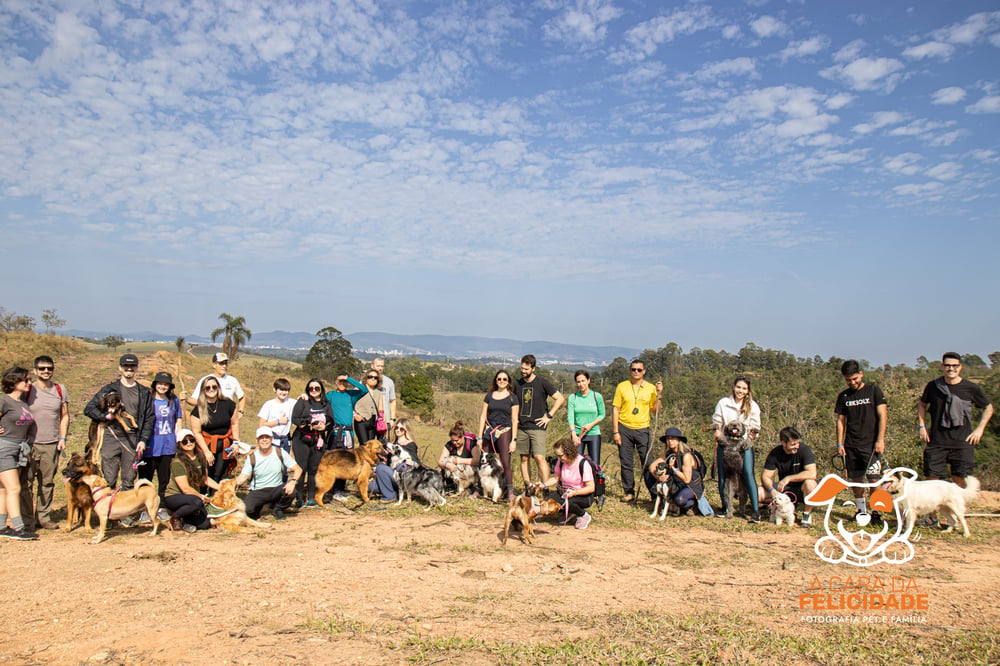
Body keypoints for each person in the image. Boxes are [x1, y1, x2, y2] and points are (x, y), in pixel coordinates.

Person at [917, 353, 993, 527]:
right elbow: (922, 405)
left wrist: (980, 429)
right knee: (932, 480)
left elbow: (988, 408)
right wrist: (922, 426)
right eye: (948, 365)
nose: (951, 369)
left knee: (959, 479)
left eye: (955, 366)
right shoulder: (933, 386)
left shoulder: (971, 388)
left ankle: (956, 520)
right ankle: (931, 518)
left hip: (962, 442)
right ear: (942, 366)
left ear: (960, 367)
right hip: (937, 440)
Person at [83, 354, 155, 496]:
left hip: (132, 438)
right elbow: (89, 409)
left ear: (136, 368)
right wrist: (105, 417)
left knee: (129, 479)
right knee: (109, 478)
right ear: (120, 368)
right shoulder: (109, 389)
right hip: (111, 437)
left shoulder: (144, 392)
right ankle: (109, 514)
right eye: (125, 366)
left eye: (132, 366)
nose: (129, 369)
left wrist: (143, 440)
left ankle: (126, 516)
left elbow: (149, 418)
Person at [835, 360, 888, 525]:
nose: (852, 382)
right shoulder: (844, 396)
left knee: (874, 480)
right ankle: (861, 510)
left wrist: (880, 439)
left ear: (861, 374)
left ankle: (876, 512)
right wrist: (839, 444)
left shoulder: (874, 391)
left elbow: (883, 416)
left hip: (871, 445)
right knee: (856, 480)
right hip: (851, 445)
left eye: (855, 379)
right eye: (848, 380)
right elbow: (840, 420)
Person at [22, 356, 69, 530]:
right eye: (42, 368)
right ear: (35, 371)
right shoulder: (27, 389)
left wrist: (62, 437)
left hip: (51, 443)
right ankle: (27, 520)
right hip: (29, 443)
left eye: (49, 368)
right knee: (26, 483)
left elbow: (64, 415)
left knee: (47, 482)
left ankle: (43, 517)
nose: (46, 371)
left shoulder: (59, 389)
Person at [712, 376, 762, 523]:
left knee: (747, 474)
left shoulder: (752, 406)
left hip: (743, 444)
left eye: (744, 388)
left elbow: (755, 426)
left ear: (748, 391)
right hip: (725, 443)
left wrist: (750, 440)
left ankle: (755, 510)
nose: (740, 391)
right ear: (733, 387)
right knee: (723, 476)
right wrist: (720, 437)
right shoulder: (724, 403)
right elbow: (717, 422)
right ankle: (725, 507)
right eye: (738, 387)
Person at [611, 358, 662, 503]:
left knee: (648, 462)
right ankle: (628, 492)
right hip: (624, 428)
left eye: (639, 370)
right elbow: (616, 409)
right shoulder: (622, 386)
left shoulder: (651, 388)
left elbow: (655, 411)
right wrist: (616, 431)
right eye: (633, 369)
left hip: (643, 429)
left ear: (644, 371)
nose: (636, 372)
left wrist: (659, 395)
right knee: (626, 462)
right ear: (630, 370)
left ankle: (654, 493)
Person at [513, 354, 565, 490]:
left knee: (539, 457)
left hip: (537, 427)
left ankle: (545, 488)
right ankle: (528, 487)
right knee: (524, 458)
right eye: (522, 368)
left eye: (526, 369)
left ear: (533, 368)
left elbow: (560, 398)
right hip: (521, 427)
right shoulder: (517, 384)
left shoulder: (542, 383)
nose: (523, 371)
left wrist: (549, 416)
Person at [0, 367, 39, 540]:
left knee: (3, 489)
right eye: (26, 380)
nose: (29, 383)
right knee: (14, 488)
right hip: (4, 449)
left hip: (19, 449)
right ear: (14, 382)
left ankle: (1, 526)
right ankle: (18, 528)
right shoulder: (4, 401)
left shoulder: (22, 403)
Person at [235, 427, 301, 520]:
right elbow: (243, 477)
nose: (264, 440)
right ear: (257, 440)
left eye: (267, 437)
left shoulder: (280, 452)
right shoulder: (252, 457)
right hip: (258, 491)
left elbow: (298, 469)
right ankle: (261, 508)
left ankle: (278, 509)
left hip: (276, 488)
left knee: (292, 492)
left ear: (272, 439)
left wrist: (293, 482)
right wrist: (230, 483)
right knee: (248, 510)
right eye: (262, 438)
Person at [163, 428, 221, 532]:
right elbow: (185, 488)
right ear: (180, 445)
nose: (189, 443)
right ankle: (175, 517)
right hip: (175, 496)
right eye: (185, 441)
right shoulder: (178, 462)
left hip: (191, 497)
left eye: (191, 440)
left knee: (205, 524)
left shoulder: (200, 458)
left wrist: (221, 488)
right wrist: (202, 497)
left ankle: (185, 519)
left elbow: (205, 479)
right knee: (196, 502)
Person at [761, 426, 818, 527]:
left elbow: (812, 473)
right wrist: (772, 491)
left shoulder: (804, 450)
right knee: (758, 493)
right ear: (783, 443)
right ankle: (777, 507)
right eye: (793, 444)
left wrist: (789, 478)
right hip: (782, 490)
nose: (796, 446)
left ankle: (806, 515)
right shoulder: (775, 453)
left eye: (797, 443)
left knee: (811, 484)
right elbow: (765, 476)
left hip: (801, 489)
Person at [291, 378, 335, 508]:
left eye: (317, 388)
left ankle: (311, 498)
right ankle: (298, 498)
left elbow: (331, 420)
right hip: (301, 439)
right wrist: (308, 424)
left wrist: (324, 426)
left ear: (321, 390)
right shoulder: (303, 401)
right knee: (301, 467)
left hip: (318, 440)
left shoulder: (325, 404)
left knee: (313, 469)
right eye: (311, 388)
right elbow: (295, 418)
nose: (314, 391)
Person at [477, 370, 520, 501]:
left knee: (505, 462)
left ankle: (509, 491)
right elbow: (483, 416)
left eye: (504, 379)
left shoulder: (513, 398)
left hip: (504, 431)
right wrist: (479, 436)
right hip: (489, 431)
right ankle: (481, 489)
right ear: (496, 381)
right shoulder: (489, 396)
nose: (502, 381)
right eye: (499, 379)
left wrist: (513, 440)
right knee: (483, 460)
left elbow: (514, 419)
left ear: (508, 382)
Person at [535, 437, 594, 530]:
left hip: (582, 495)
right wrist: (544, 484)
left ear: (568, 452)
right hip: (565, 492)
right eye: (557, 455)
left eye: (560, 455)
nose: (559, 458)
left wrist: (575, 492)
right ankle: (569, 512)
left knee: (567, 502)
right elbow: (555, 478)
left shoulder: (583, 464)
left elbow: (591, 488)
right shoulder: (561, 462)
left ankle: (583, 515)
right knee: (547, 502)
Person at [647, 427, 707, 516]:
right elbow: (652, 466)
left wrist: (673, 469)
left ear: (678, 440)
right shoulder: (669, 454)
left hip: (691, 486)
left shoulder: (686, 455)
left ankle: (692, 505)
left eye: (673, 438)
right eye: (668, 439)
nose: (670, 441)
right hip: (677, 484)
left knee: (680, 500)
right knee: (649, 475)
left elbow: (687, 480)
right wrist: (659, 477)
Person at [189, 376, 239, 483]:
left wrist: (235, 443)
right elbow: (196, 432)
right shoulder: (198, 409)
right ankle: (205, 496)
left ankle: (215, 497)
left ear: (218, 388)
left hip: (225, 445)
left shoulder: (228, 404)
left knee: (219, 474)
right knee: (206, 474)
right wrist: (207, 452)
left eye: (214, 387)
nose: (211, 390)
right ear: (203, 390)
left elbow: (234, 424)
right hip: (206, 445)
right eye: (207, 388)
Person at [142, 372, 183, 500]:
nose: (162, 387)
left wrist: (178, 440)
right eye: (160, 384)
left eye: (166, 384)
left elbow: (178, 419)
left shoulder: (173, 399)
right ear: (155, 385)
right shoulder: (148, 399)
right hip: (150, 445)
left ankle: (162, 506)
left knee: (164, 479)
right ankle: (144, 507)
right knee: (145, 479)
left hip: (167, 445)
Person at [370, 418, 419, 502]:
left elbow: (416, 463)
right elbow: (388, 463)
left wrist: (410, 462)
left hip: (401, 477)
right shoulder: (394, 443)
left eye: (401, 429)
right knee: (370, 487)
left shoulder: (410, 444)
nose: (398, 430)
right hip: (392, 475)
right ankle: (394, 492)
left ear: (406, 430)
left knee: (380, 468)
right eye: (396, 428)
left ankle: (390, 496)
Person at [187, 352, 246, 419]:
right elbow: (196, 400)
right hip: (209, 418)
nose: (224, 366)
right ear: (214, 365)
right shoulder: (206, 380)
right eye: (221, 363)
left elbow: (242, 396)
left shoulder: (233, 380)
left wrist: (240, 411)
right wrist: (186, 399)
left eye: (225, 363)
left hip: (228, 419)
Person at [567, 369, 605, 462]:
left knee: (595, 463)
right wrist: (573, 434)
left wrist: (591, 425)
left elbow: (602, 414)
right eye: (578, 382)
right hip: (578, 435)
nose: (581, 384)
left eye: (583, 381)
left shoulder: (597, 396)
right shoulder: (573, 398)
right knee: (576, 462)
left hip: (594, 433)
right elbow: (570, 417)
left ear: (588, 381)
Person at [437, 421, 481, 495]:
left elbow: (477, 460)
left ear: (463, 437)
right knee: (439, 470)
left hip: (469, 473)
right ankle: (450, 485)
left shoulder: (471, 444)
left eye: (457, 441)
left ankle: (469, 486)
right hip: (454, 472)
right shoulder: (449, 445)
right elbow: (440, 462)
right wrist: (447, 465)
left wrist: (459, 461)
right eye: (453, 441)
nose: (454, 443)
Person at [326, 373, 367, 450]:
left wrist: (348, 378)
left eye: (344, 381)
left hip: (347, 433)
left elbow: (364, 390)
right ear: (336, 382)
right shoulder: (330, 395)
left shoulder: (351, 395)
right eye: (340, 381)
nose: (342, 384)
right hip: (334, 433)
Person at [257, 378, 297, 452]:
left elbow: (302, 402)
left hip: (285, 440)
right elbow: (261, 424)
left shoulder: (291, 402)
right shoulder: (268, 404)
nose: (283, 392)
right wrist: (279, 422)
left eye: (286, 390)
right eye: (281, 390)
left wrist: (304, 395)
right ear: (275, 390)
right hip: (272, 440)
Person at [353, 370, 386, 444]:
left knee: (371, 445)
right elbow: (349, 404)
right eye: (370, 377)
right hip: (361, 421)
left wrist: (383, 423)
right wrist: (354, 415)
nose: (373, 379)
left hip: (373, 421)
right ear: (366, 378)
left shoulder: (379, 393)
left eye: (375, 377)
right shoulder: (358, 390)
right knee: (364, 444)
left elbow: (381, 409)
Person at [371, 357, 396, 426]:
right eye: (378, 366)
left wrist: (392, 419)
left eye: (382, 366)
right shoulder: (364, 381)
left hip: (384, 420)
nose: (380, 368)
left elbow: (392, 401)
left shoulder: (389, 382)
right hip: (369, 420)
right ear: (372, 366)